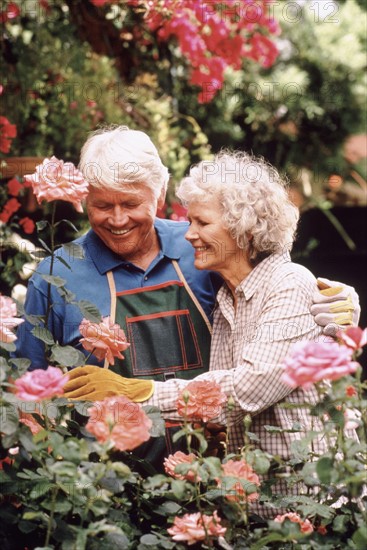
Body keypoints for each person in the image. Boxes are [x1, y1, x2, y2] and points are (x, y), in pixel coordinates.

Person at [16, 127, 358, 461]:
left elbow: (274, 291)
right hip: (104, 486)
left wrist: (336, 306)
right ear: (85, 199)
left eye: (132, 203)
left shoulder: (203, 249)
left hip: (212, 480)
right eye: (103, 206)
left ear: (159, 194)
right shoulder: (53, 276)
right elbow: (28, 395)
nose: (117, 219)